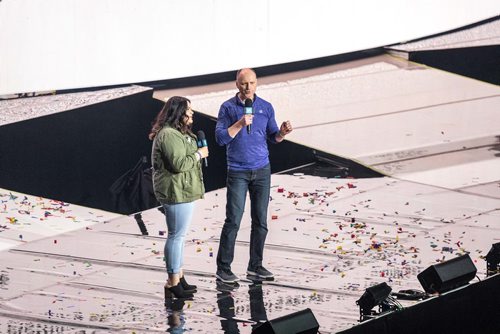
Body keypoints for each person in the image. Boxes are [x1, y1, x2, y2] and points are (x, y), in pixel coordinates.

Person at [215, 68, 293, 283]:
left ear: (256, 83)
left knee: (260, 220)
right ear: (237, 84)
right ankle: (223, 268)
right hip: (238, 170)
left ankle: (255, 266)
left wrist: (283, 133)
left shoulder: (265, 107)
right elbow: (221, 139)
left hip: (261, 169)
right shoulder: (228, 108)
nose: (248, 87)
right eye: (243, 84)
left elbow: (273, 137)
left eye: (251, 83)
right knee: (233, 220)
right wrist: (240, 123)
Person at [149, 96, 208, 298]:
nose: (191, 114)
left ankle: (179, 276)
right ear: (178, 113)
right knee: (176, 236)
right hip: (175, 192)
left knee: (179, 236)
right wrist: (200, 154)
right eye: (188, 110)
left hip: (183, 189)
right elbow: (179, 164)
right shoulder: (168, 135)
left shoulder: (178, 133)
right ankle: (173, 281)